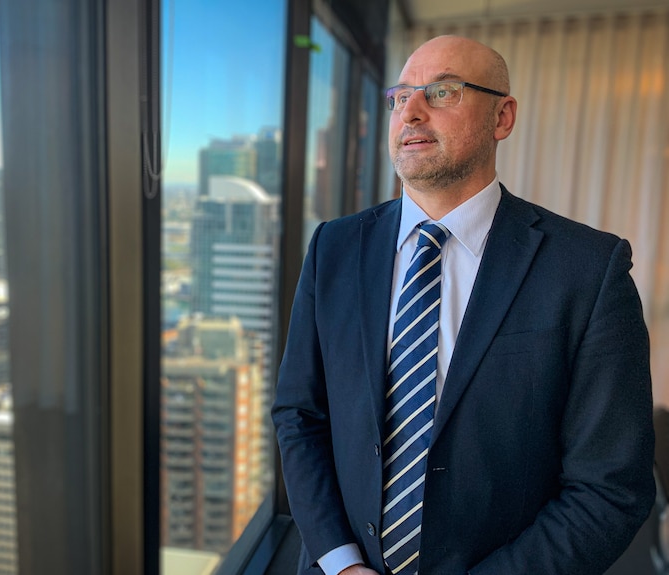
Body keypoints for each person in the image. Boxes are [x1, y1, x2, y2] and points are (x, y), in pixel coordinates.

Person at [271, 35, 654, 575]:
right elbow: (300, 416)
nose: (412, 111)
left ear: (503, 117)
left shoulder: (589, 269)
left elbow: (610, 487)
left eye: (442, 91)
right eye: (400, 97)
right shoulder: (334, 246)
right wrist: (341, 561)